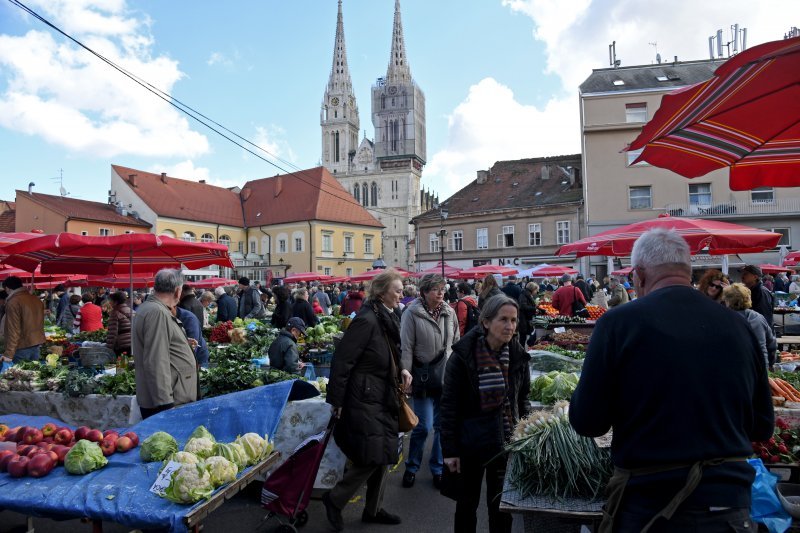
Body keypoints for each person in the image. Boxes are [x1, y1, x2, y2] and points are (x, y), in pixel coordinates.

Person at [569, 228, 773, 532]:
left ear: (638, 275)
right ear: (688, 269)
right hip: (730, 507)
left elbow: (587, 422)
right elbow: (762, 426)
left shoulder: (618, 323)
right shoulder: (738, 326)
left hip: (651, 509)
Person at [323, 269, 411, 531]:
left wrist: (402, 370)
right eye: (397, 290)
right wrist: (336, 401)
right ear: (382, 291)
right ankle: (335, 499)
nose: (401, 294)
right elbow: (343, 361)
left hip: (380, 394)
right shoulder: (367, 319)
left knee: (384, 453)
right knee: (374, 455)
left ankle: (373, 509)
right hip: (364, 396)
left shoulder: (384, 316)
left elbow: (390, 353)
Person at [441, 294, 531, 533]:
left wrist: (527, 434)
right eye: (503, 319)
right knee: (467, 505)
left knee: (501, 508)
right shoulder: (463, 356)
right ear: (486, 322)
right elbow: (449, 407)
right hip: (470, 443)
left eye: (514, 320)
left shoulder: (517, 354)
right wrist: (449, 451)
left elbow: (523, 398)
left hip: (505, 442)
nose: (510, 326)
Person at [400, 274, 460, 489]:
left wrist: (457, 369)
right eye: (436, 289)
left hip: (445, 376)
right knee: (423, 427)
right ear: (424, 292)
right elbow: (406, 346)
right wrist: (405, 371)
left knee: (442, 427)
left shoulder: (449, 311)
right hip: (423, 377)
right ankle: (412, 466)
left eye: (443, 289)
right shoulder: (411, 313)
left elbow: (456, 342)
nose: (441, 293)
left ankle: (437, 468)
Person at [132, 269, 198, 419]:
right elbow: (156, 361)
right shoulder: (158, 312)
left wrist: (181, 344)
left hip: (165, 398)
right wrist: (166, 404)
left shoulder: (151, 308)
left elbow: (157, 346)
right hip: (168, 401)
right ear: (177, 291)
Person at [722, 283, 777, 369]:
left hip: (732, 369)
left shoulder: (723, 319)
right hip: (759, 367)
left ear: (727, 301)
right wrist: (770, 363)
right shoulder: (758, 318)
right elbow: (771, 344)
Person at [0, 276, 46, 363]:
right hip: (36, 344)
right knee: (34, 374)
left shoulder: (13, 302)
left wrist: (9, 353)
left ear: (7, 288)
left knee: (21, 375)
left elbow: (13, 330)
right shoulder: (35, 299)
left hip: (21, 346)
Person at [106, 291, 132, 356]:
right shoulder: (131, 311)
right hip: (133, 343)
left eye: (111, 301)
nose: (109, 302)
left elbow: (112, 333)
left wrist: (109, 349)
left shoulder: (114, 313)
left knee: (121, 365)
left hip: (121, 345)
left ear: (116, 302)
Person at [517, 282, 538, 346]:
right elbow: (523, 306)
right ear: (533, 289)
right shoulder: (524, 295)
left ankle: (523, 350)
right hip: (523, 319)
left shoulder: (526, 294)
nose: (536, 292)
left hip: (525, 318)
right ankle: (521, 352)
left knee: (525, 336)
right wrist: (534, 309)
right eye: (536, 290)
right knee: (523, 337)